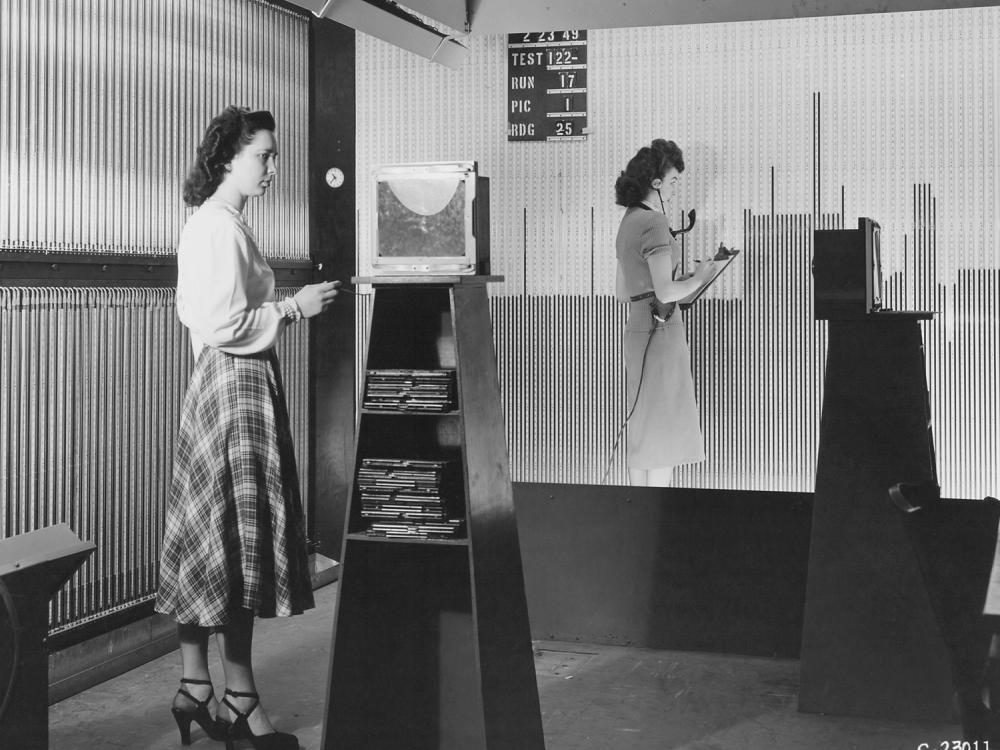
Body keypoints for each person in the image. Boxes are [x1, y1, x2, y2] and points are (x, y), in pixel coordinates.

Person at [155, 106, 339, 750]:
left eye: (272, 155)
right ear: (229, 156)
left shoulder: (221, 223)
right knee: (232, 542)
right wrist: (294, 306)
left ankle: (197, 686)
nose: (271, 167)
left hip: (230, 388)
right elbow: (218, 324)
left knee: (217, 536)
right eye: (263, 154)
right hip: (234, 390)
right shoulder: (213, 227)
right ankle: (236, 699)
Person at [614, 138, 718, 487]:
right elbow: (665, 291)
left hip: (637, 329)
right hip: (663, 331)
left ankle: (637, 514)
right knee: (665, 432)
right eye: (673, 181)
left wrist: (677, 283)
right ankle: (656, 518)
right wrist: (702, 275)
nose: (675, 189)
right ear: (656, 182)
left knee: (643, 428)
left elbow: (622, 291)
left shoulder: (628, 221)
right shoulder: (656, 222)